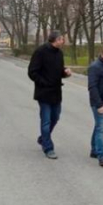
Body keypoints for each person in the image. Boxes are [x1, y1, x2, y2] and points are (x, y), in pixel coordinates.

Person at [28, 31, 71, 159]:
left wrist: (65, 72)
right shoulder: (40, 52)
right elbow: (32, 72)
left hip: (56, 92)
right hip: (44, 92)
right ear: (55, 40)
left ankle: (43, 138)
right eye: (61, 39)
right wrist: (43, 82)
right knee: (46, 121)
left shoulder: (59, 53)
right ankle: (48, 148)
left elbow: (59, 70)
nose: (63, 42)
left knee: (55, 118)